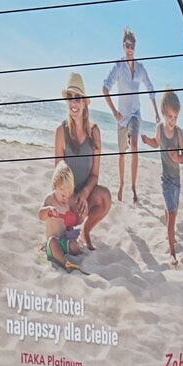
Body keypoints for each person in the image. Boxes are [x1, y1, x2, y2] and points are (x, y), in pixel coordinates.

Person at [53, 72, 111, 249]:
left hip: (84, 192)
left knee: (105, 197)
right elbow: (58, 176)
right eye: (70, 97)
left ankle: (86, 231)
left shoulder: (95, 132)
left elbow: (95, 175)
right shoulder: (61, 131)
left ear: (85, 102)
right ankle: (67, 229)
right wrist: (72, 198)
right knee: (70, 246)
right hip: (65, 194)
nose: (73, 102)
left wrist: (84, 194)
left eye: (77, 97)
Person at [102, 28, 160, 202]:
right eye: (127, 46)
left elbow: (150, 88)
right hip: (122, 117)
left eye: (132, 46)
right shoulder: (118, 67)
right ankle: (121, 185)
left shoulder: (140, 69)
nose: (130, 49)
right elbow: (105, 88)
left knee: (134, 146)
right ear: (123, 46)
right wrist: (114, 111)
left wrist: (156, 112)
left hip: (135, 114)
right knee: (122, 154)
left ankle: (134, 188)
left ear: (135, 47)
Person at [140, 89, 183, 264]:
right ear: (163, 113)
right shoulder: (160, 129)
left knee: (171, 210)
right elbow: (157, 142)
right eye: (169, 116)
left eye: (175, 117)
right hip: (166, 180)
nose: (172, 120)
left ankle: (169, 221)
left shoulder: (178, 133)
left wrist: (177, 158)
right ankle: (172, 252)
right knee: (172, 214)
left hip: (177, 181)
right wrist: (148, 141)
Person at [38, 162, 83, 272]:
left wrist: (72, 235)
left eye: (68, 196)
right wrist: (48, 210)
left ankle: (63, 255)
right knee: (53, 242)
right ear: (55, 186)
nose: (65, 199)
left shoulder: (66, 205)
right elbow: (40, 215)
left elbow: (68, 224)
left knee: (75, 247)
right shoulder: (50, 199)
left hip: (63, 241)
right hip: (52, 242)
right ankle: (65, 263)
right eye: (63, 195)